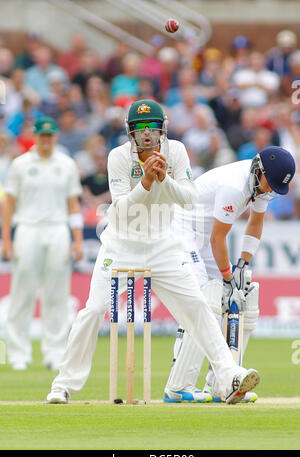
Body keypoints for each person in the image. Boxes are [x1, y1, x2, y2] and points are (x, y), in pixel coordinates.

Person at [46, 99, 260, 405]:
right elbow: (118, 211)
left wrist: (164, 178)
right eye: (140, 128)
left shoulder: (177, 151)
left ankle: (229, 377)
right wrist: (145, 181)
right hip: (121, 243)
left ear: (163, 129)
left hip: (163, 243)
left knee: (197, 306)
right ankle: (63, 386)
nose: (147, 133)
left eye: (152, 127)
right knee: (93, 310)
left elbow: (189, 198)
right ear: (131, 132)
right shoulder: (118, 157)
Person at [163, 146, 296, 403]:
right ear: (260, 170)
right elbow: (218, 238)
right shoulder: (235, 186)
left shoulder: (261, 183)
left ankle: (222, 385)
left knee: (237, 296)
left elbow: (255, 223)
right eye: (270, 184)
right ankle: (179, 385)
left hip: (205, 236)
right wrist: (227, 276)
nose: (270, 190)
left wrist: (243, 265)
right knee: (204, 300)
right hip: (183, 229)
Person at [2, 116, 83, 371]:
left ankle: (55, 351)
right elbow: (9, 204)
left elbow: (73, 204)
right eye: (42, 136)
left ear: (55, 137)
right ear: (35, 137)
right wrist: (6, 237)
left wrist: (77, 239)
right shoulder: (21, 164)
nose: (46, 141)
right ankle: (18, 353)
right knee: (22, 292)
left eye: (50, 136)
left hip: (58, 229)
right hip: (27, 227)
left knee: (57, 294)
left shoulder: (67, 164)